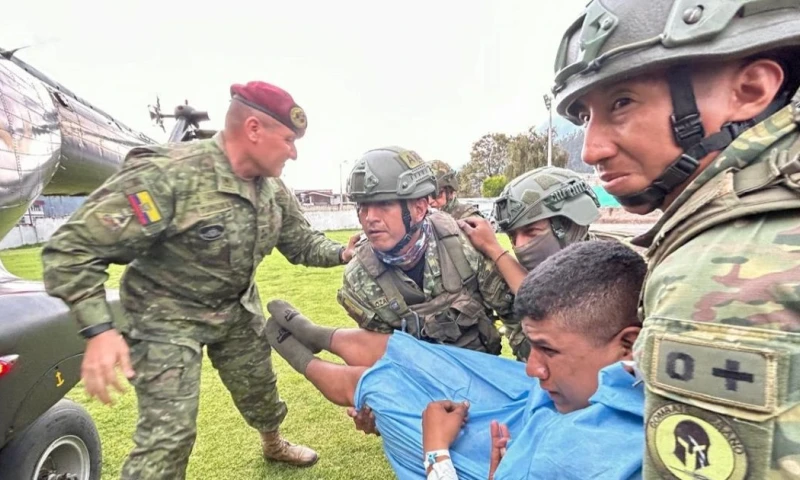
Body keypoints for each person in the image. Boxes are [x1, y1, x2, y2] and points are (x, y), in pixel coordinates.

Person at [40, 81, 358, 479]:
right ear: (254, 129)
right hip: (165, 319)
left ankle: (273, 443)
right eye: (288, 139)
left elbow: (300, 242)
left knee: (260, 390)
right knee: (168, 437)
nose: (294, 152)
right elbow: (72, 249)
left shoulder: (272, 189)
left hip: (235, 310)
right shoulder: (168, 175)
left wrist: (342, 253)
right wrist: (100, 331)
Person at [551, 1, 800, 478]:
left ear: (750, 90)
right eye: (585, 115)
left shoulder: (718, 275)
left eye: (622, 102)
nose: (592, 148)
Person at [265, 240, 647, 479]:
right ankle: (315, 334)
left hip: (513, 431)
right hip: (538, 403)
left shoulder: (566, 457)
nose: (534, 364)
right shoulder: (658, 386)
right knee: (413, 353)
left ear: (627, 345)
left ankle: (304, 361)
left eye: (548, 350)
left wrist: (436, 453)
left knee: (383, 387)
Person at [337, 146, 515, 355]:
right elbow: (383, 354)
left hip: (481, 374)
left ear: (419, 209)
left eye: (384, 204)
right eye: (363, 207)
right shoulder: (359, 278)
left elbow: (516, 318)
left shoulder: (465, 246)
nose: (370, 218)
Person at [458, 166, 634, 360]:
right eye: (512, 236)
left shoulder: (614, 269)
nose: (520, 245)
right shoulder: (527, 274)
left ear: (569, 224)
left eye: (531, 232)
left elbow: (552, 308)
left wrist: (494, 248)